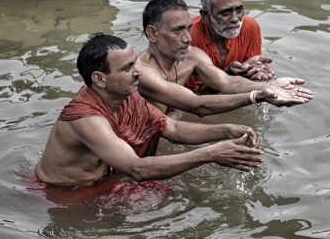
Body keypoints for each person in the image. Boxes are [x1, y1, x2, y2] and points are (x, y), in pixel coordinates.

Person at [34, 34, 264, 188]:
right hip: (63, 196)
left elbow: (171, 128)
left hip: (103, 184)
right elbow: (136, 169)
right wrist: (211, 154)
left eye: (135, 63)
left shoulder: (127, 95)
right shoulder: (87, 119)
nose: (138, 72)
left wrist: (228, 130)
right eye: (127, 68)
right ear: (99, 79)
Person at [137, 0, 313, 118]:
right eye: (177, 30)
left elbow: (227, 82)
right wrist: (257, 96)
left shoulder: (193, 56)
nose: (188, 38)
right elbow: (197, 105)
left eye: (189, 28)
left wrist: (269, 86)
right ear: (153, 33)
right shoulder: (140, 71)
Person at [187, 0, 273, 92]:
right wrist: (228, 77)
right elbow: (188, 99)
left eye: (239, 10)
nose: (235, 19)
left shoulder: (250, 29)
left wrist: (251, 72)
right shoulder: (188, 37)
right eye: (225, 12)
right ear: (206, 15)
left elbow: (252, 85)